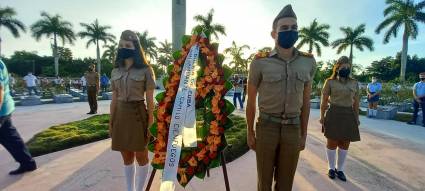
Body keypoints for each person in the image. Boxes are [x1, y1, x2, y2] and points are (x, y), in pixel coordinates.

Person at [246, 5, 316, 190]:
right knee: (264, 183)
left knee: (286, 184)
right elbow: (251, 100)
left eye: (294, 28)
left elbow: (306, 103)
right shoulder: (260, 61)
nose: (290, 31)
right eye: (284, 28)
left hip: (293, 129)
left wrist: (303, 134)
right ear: (273, 33)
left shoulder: (308, 62)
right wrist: (250, 132)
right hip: (266, 128)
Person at [109, 30, 156, 191]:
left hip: (138, 115)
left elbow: (150, 101)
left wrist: (151, 123)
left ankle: (140, 189)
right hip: (120, 116)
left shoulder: (146, 70)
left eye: (127, 45)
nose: (124, 48)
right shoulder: (115, 71)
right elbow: (114, 99)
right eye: (121, 45)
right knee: (126, 157)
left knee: (141, 156)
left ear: (135, 47)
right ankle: (130, 189)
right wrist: (111, 121)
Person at [320, 56, 361, 182]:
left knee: (345, 143)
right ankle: (331, 168)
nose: (346, 69)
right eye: (343, 67)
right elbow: (324, 100)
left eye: (348, 67)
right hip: (334, 113)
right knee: (332, 142)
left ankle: (340, 169)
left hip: (348, 114)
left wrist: (357, 117)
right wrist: (322, 117)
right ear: (337, 68)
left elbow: (356, 102)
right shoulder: (330, 82)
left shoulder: (354, 83)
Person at [0, 59, 37, 175]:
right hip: (4, 108)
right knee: (9, 137)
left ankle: (27, 162)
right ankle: (27, 163)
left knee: (10, 137)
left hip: (1, 110)